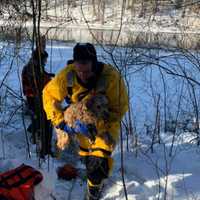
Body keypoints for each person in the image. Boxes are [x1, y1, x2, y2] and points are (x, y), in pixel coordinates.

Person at [42, 43, 128, 200]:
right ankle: (88, 171)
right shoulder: (67, 76)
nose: (82, 75)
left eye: (87, 70)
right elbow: (48, 96)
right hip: (78, 123)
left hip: (104, 125)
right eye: (79, 70)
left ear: (94, 64)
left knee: (98, 161)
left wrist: (97, 123)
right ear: (74, 64)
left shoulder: (110, 78)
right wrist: (62, 123)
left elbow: (120, 108)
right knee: (82, 156)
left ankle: (94, 189)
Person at [22, 36, 54, 158]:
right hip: (34, 99)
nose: (46, 63)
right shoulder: (32, 68)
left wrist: (49, 77)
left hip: (38, 98)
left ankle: (41, 141)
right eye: (45, 61)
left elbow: (42, 77)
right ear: (40, 60)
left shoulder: (36, 66)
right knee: (45, 122)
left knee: (44, 121)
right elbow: (36, 86)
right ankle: (44, 149)